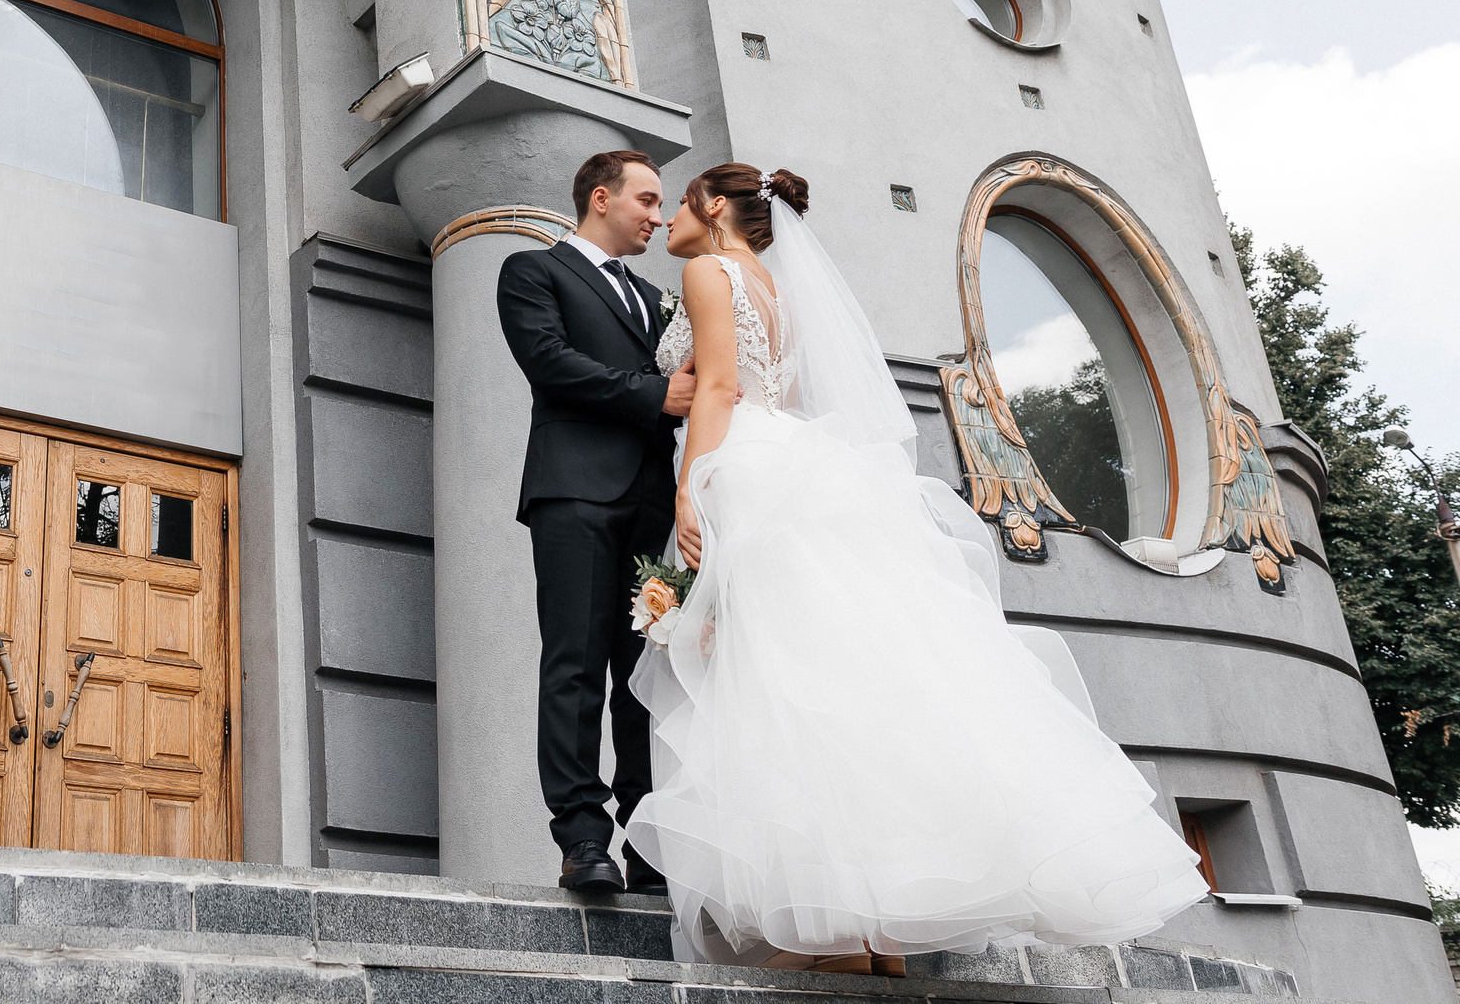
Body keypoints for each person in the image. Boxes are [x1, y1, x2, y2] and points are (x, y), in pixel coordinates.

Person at [625, 162, 1206, 974]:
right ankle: (876, 931)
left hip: (743, 467)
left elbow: (720, 387)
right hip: (793, 457)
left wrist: (692, 488)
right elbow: (775, 393)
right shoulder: (777, 286)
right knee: (843, 672)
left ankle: (826, 923)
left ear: (715, 208)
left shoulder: (705, 269)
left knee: (776, 681)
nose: (672, 220)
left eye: (681, 202)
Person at [496, 149, 698, 893]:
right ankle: (583, 838)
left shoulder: (658, 296)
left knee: (643, 673)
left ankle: (646, 842)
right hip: (573, 493)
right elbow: (548, 363)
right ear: (602, 197)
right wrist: (653, 396)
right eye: (647, 200)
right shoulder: (533, 271)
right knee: (575, 664)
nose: (658, 214)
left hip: (652, 501)